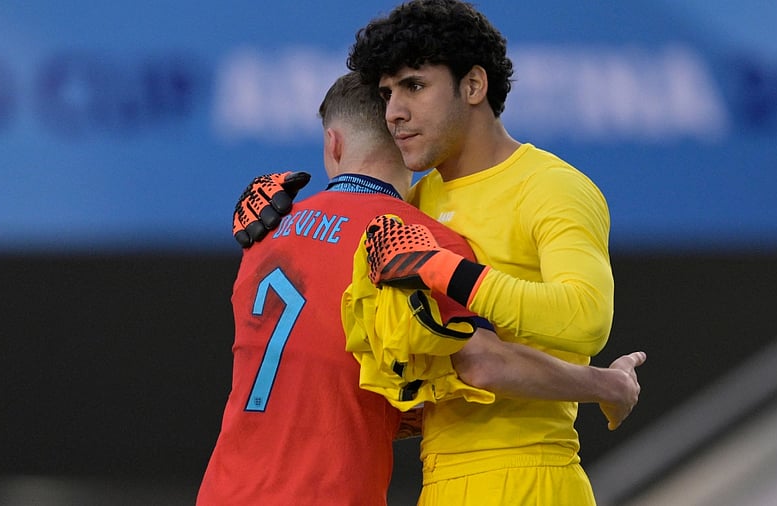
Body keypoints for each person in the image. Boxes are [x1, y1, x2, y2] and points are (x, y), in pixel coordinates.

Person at [209, 71, 644, 505]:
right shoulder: (412, 235)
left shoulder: (265, 230)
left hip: (224, 487)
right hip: (334, 491)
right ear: (398, 131)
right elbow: (479, 364)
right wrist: (607, 384)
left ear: (333, 144)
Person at [346, 0, 620, 503]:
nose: (393, 112)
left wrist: (442, 270)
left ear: (473, 85)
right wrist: (281, 232)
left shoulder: (552, 187)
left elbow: (586, 318)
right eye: (386, 94)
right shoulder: (414, 202)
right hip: (438, 479)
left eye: (414, 85)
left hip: (531, 476)